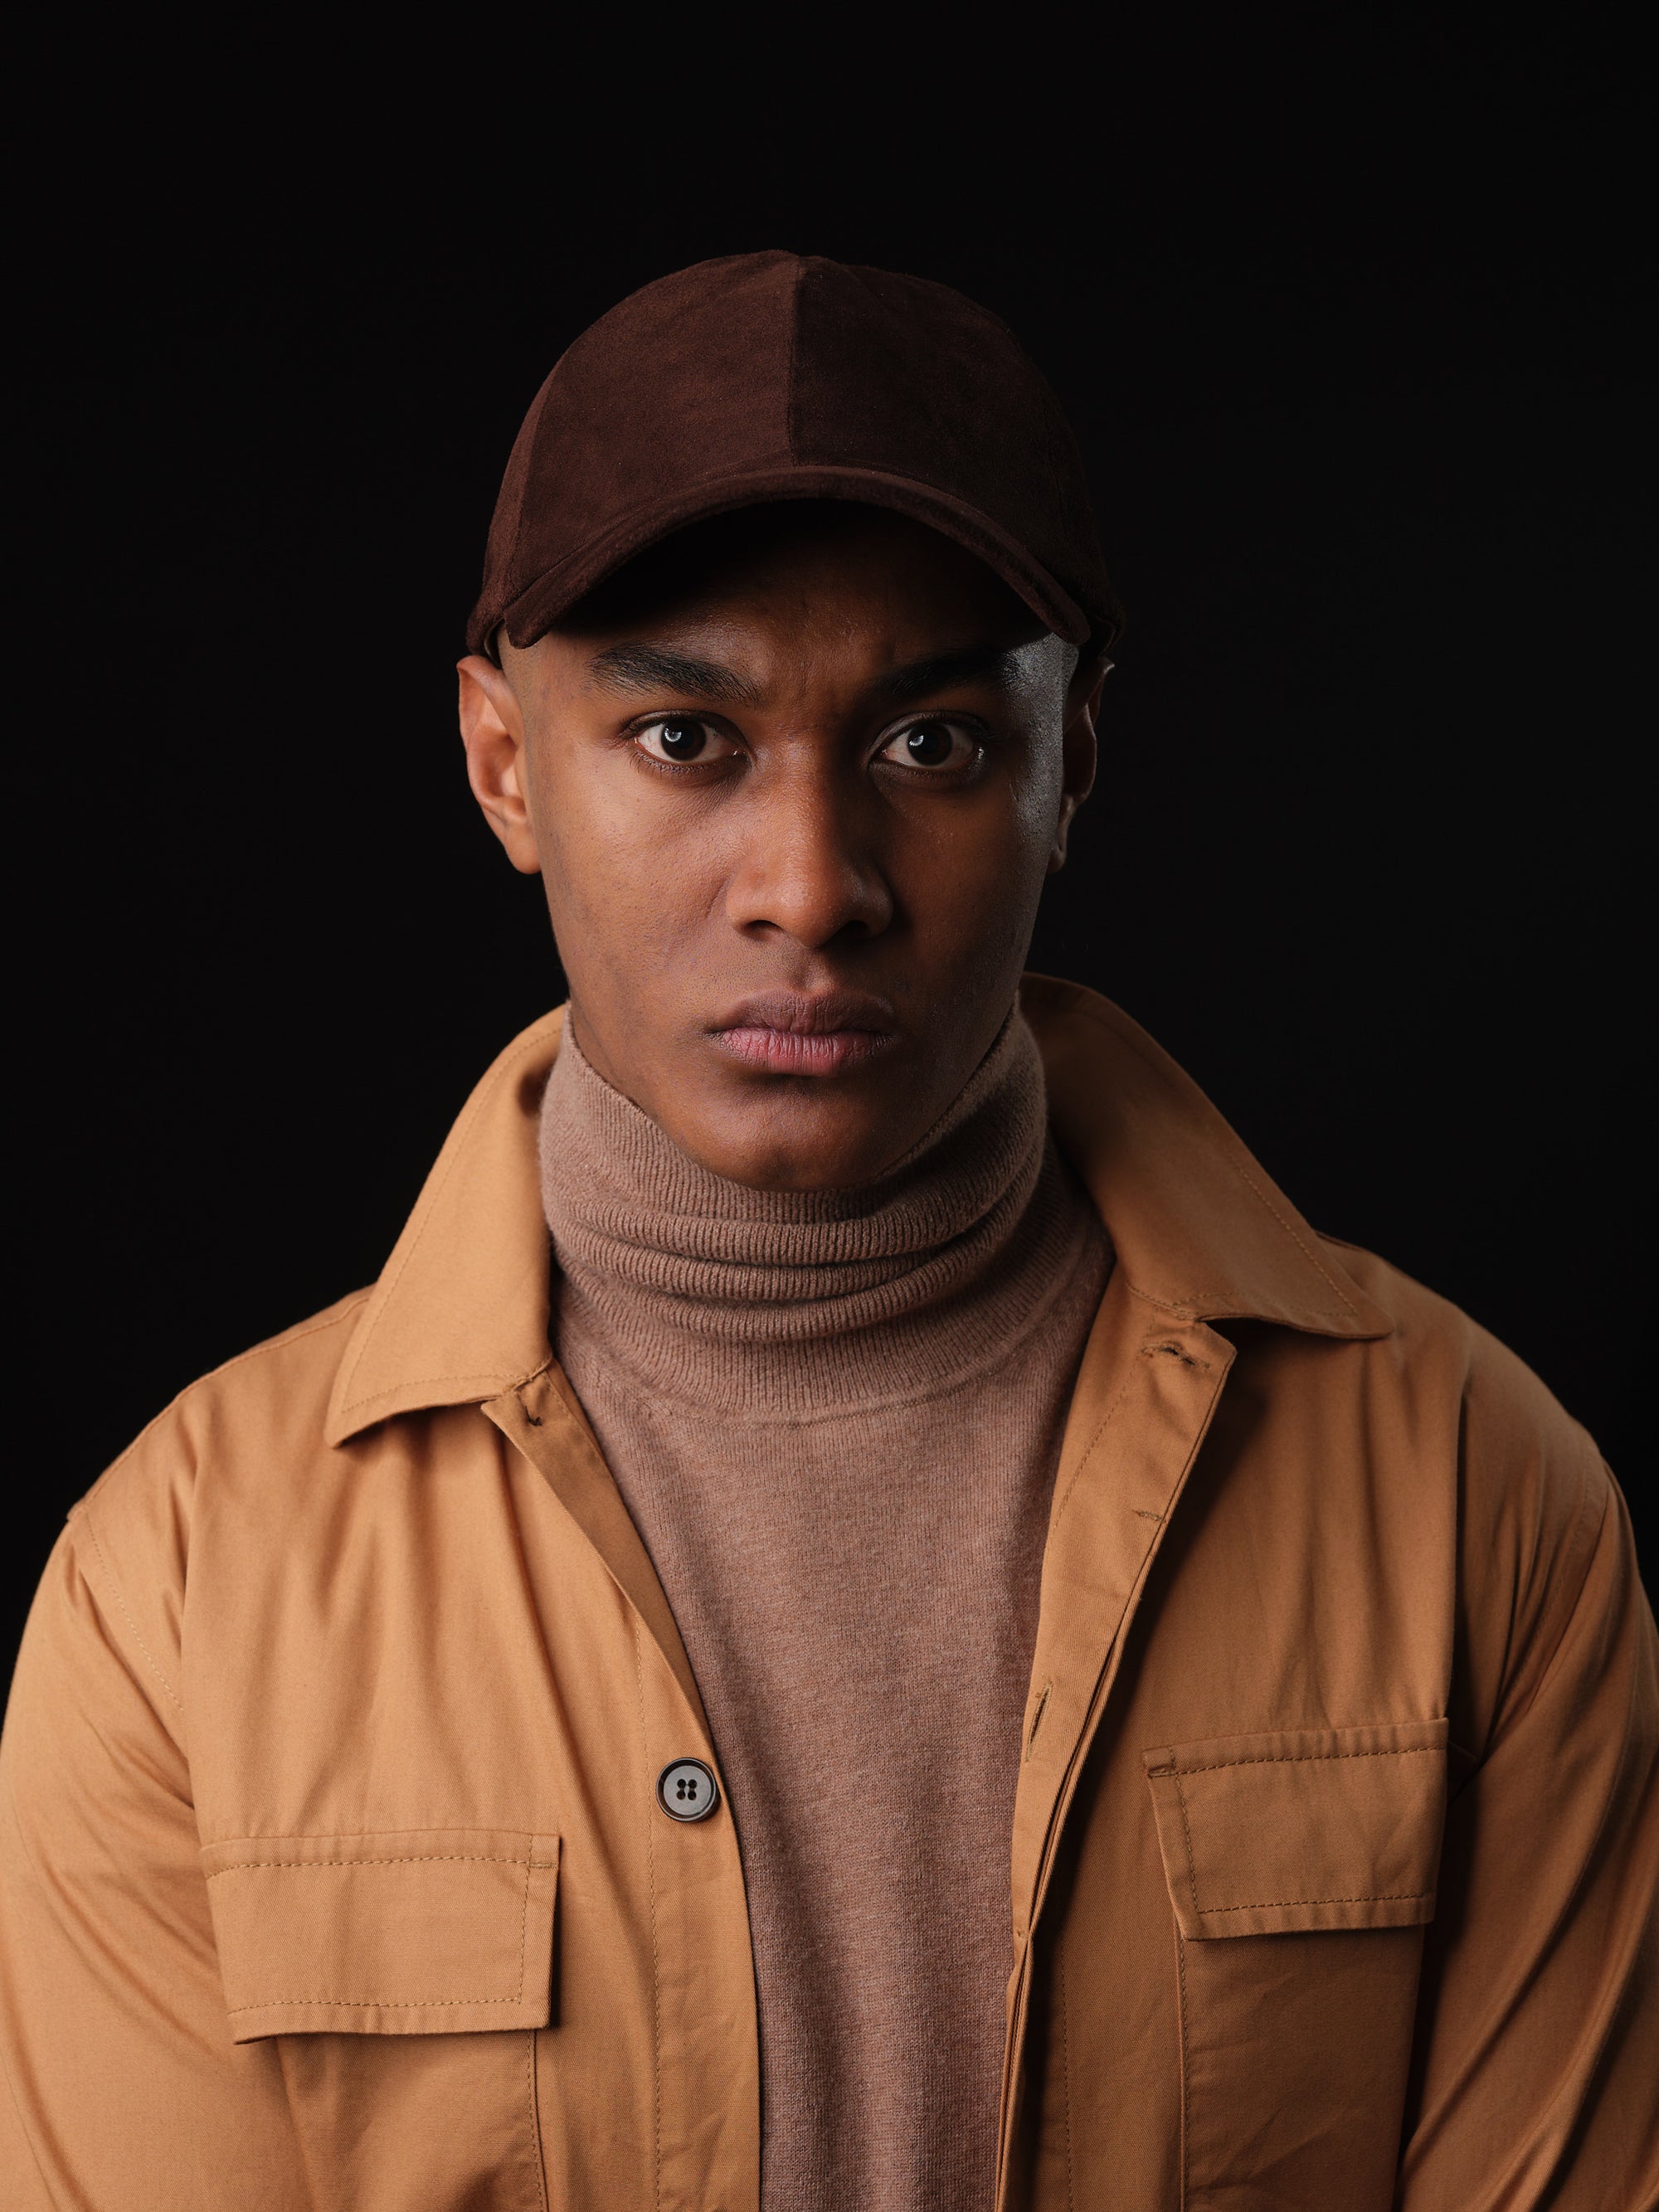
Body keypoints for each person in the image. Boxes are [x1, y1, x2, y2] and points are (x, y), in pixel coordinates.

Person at [2, 250, 1653, 2212]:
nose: (811, 885)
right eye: (685, 740)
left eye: (930, 743)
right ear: (503, 760)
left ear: (1074, 767)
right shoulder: (181, 1582)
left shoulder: (1473, 1495)